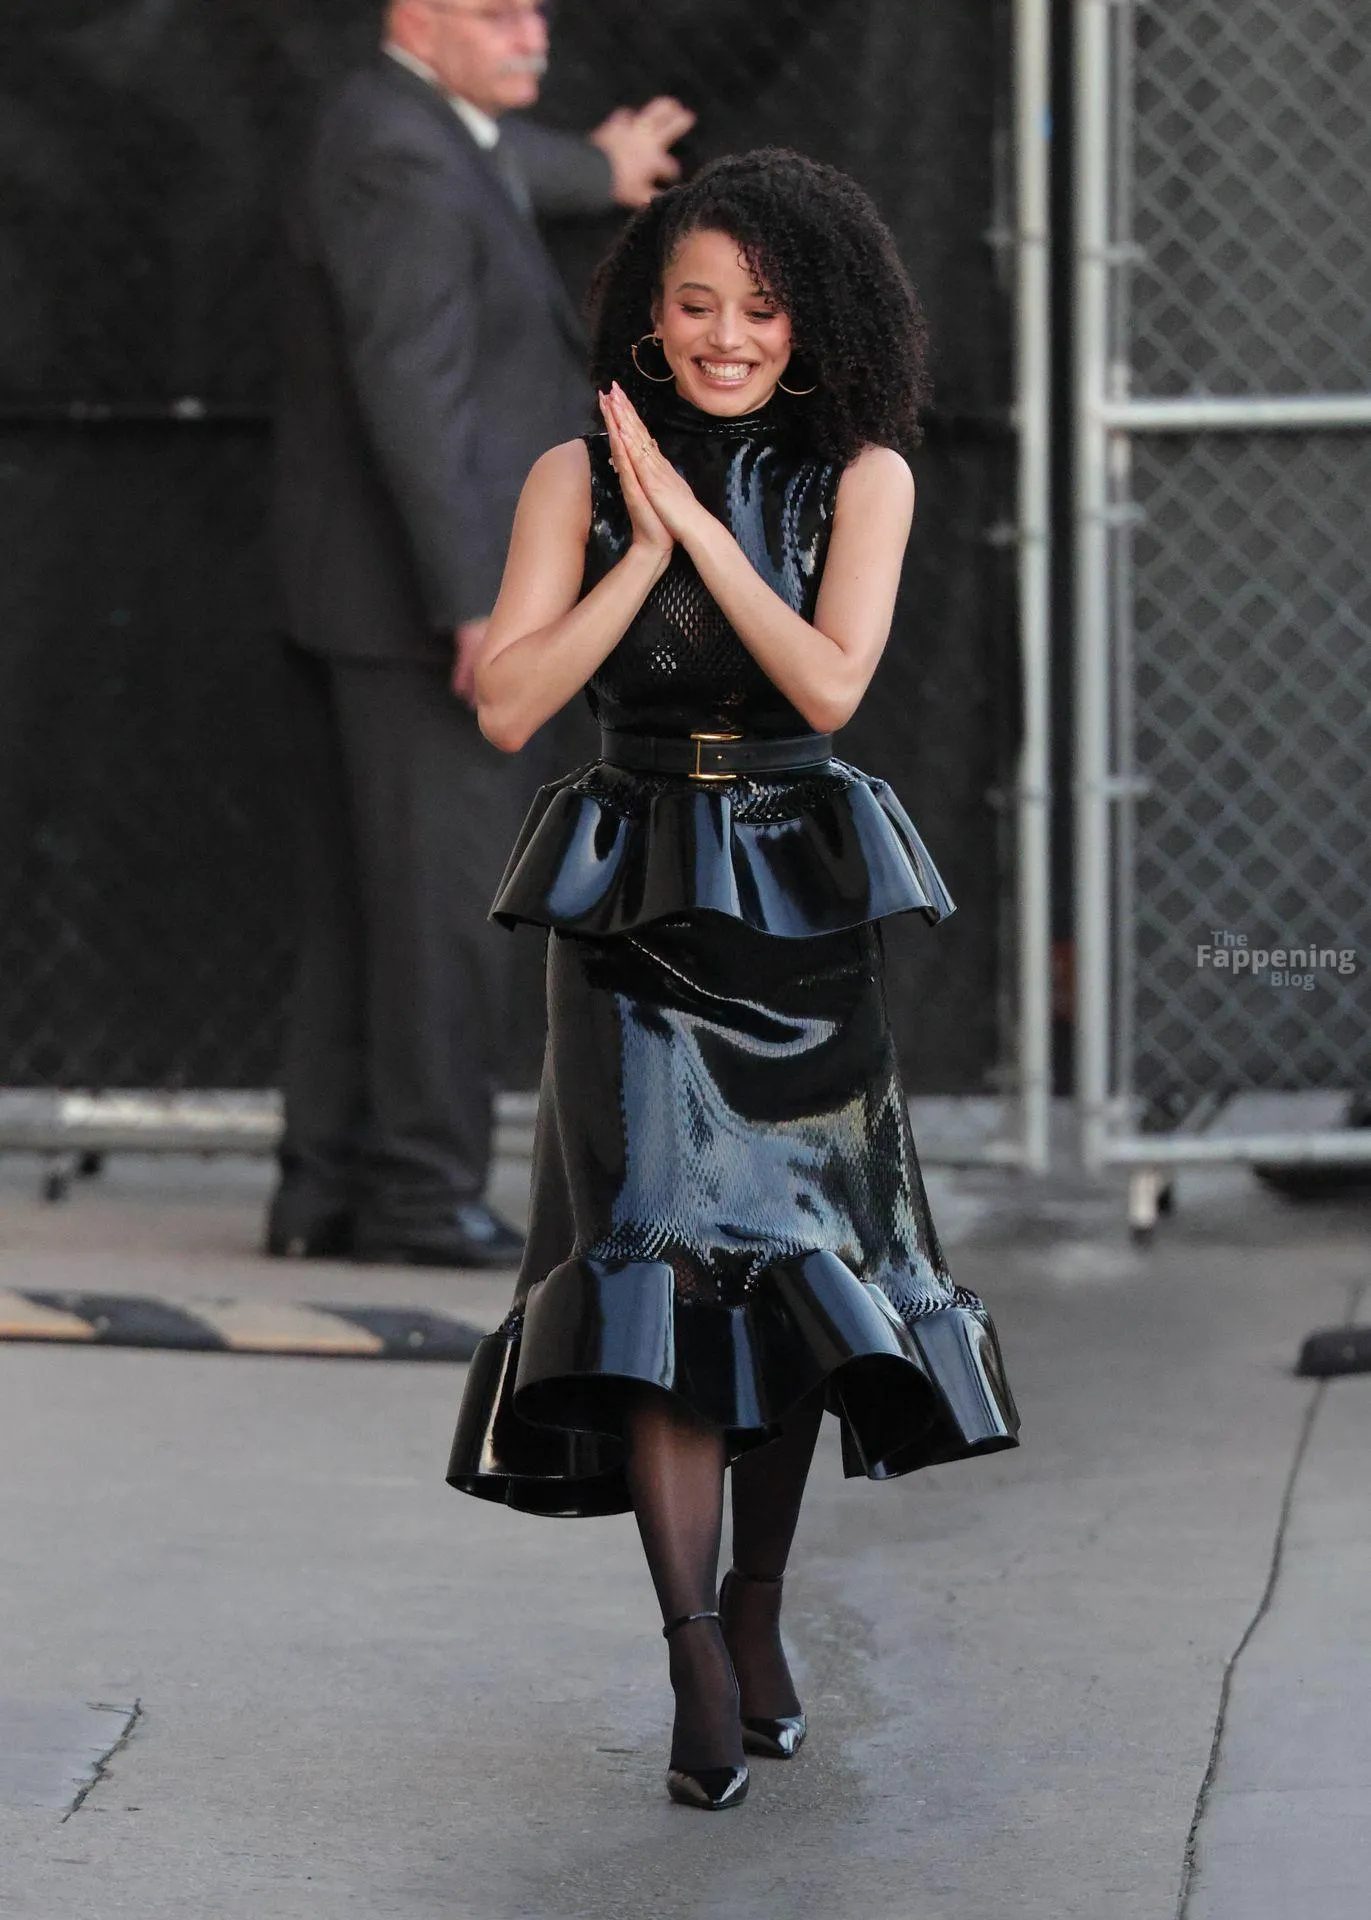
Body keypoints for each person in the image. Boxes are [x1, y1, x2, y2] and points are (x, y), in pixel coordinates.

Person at [445, 149, 1021, 1809]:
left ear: (811, 321)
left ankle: (756, 1611)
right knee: (656, 1259)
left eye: (759, 310)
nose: (723, 337)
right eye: (693, 306)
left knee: (792, 1275)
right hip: (632, 905)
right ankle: (695, 1653)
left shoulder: (864, 477)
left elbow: (827, 688)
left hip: (794, 904)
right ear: (647, 317)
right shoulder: (573, 475)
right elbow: (510, 701)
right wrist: (640, 549)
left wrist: (698, 525)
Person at [267, 0, 694, 1267]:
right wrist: (473, 605)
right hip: (419, 611)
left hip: (366, 602)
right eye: (498, 13)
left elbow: (506, 164)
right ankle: (419, 1194)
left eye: (537, 12)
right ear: (417, 14)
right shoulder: (400, 157)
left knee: (376, 910)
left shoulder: (416, 130)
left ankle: (329, 1190)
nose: (533, 36)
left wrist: (601, 169)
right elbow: (417, 384)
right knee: (442, 914)